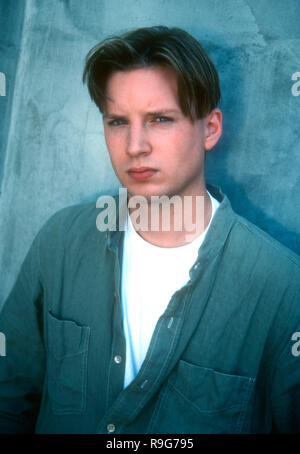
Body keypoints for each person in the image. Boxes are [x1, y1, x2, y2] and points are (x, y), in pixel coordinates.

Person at [0, 25, 299, 434]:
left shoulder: (281, 287)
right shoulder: (61, 242)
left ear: (210, 129)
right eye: (118, 122)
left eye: (160, 119)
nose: (135, 145)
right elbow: (9, 397)